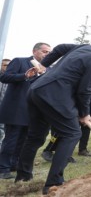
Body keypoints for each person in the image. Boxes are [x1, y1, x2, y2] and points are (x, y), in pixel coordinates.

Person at [14, 43, 91, 194]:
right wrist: (84, 113)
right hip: (55, 96)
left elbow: (60, 48)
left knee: (35, 137)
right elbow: (85, 89)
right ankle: (53, 183)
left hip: (37, 90)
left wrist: (43, 64)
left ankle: (22, 177)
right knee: (72, 134)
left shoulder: (85, 47)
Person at [0, 43, 51, 180]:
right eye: (44, 51)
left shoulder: (48, 69)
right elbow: (4, 77)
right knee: (11, 140)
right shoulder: (20, 61)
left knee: (23, 142)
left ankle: (14, 165)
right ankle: (3, 168)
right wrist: (24, 75)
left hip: (34, 112)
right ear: (35, 51)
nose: (47, 54)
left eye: (49, 52)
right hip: (16, 109)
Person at [0, 59, 11, 148]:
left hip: (5, 109)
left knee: (2, 130)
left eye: (8, 65)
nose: (7, 67)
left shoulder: (12, 78)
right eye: (4, 65)